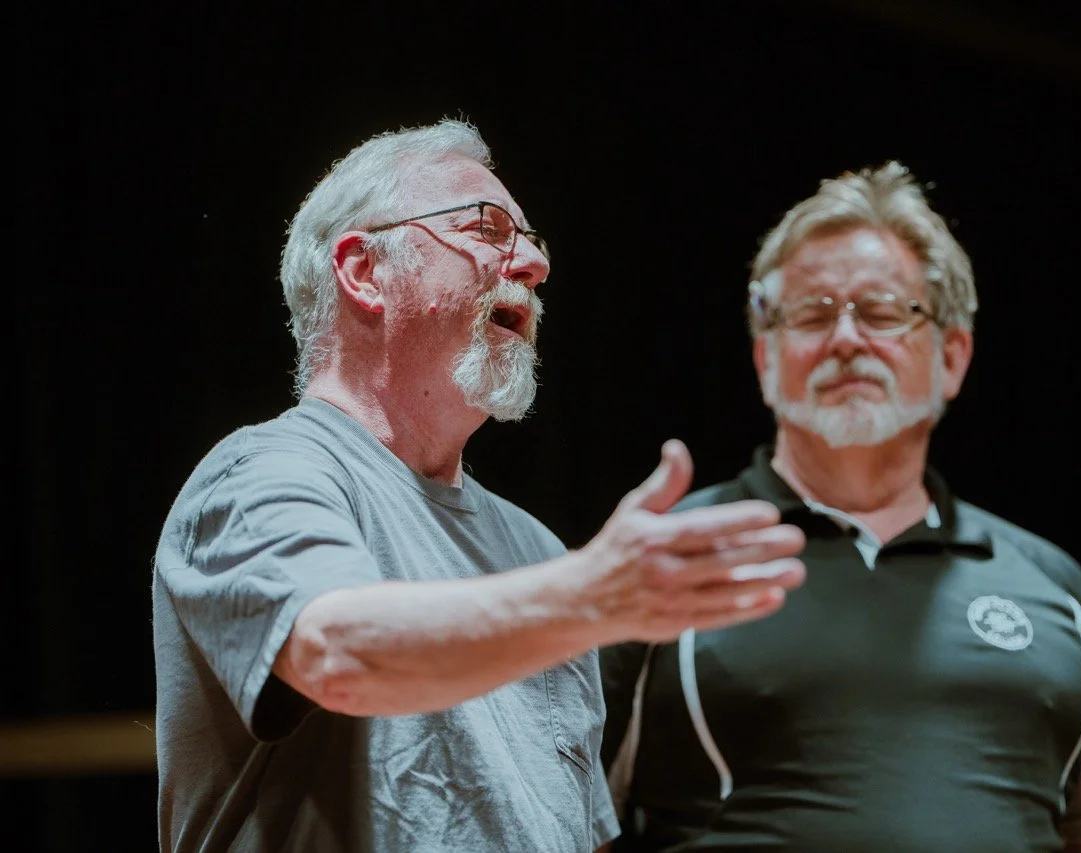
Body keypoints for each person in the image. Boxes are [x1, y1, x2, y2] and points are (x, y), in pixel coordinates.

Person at [151, 119, 807, 853]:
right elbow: (338, 655)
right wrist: (589, 595)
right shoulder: (263, 472)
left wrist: (581, 591)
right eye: (486, 228)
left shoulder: (538, 550)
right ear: (364, 272)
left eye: (531, 240)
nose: (533, 264)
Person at [599, 163, 1081, 852]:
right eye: (812, 314)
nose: (846, 339)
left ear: (953, 357)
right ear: (766, 359)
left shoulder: (1056, 588)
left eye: (882, 312)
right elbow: (555, 821)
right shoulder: (665, 556)